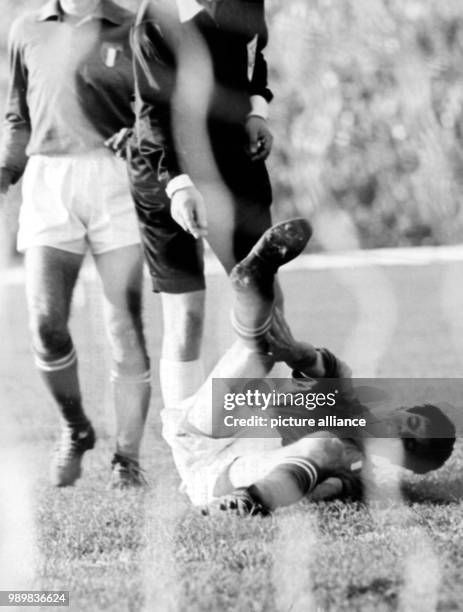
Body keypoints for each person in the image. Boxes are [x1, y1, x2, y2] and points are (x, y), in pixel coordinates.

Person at [158, 218, 456, 513]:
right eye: (411, 424)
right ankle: (250, 283)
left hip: (223, 476)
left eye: (410, 445)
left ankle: (247, 503)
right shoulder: (348, 402)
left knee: (328, 447)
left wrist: (299, 484)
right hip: (208, 428)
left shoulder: (356, 471)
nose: (400, 433)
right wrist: (296, 353)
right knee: (264, 353)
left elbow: (323, 489)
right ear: (404, 410)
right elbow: (327, 369)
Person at [0, 0, 151, 488]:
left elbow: (157, 108)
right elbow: (17, 113)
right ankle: (75, 427)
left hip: (117, 185)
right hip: (49, 180)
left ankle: (127, 460)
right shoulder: (25, 28)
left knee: (124, 328)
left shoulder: (131, 26)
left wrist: (143, 140)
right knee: (46, 323)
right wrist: (6, 169)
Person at [127, 0, 275, 413]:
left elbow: (255, 56)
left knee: (264, 303)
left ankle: (243, 425)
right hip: (164, 172)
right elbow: (153, 112)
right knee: (187, 317)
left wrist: (256, 112)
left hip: (234, 163)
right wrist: (177, 185)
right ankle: (187, 445)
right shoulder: (153, 21)